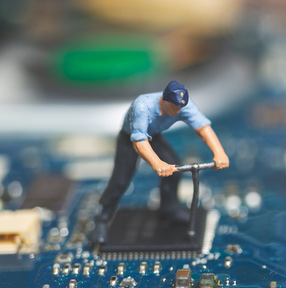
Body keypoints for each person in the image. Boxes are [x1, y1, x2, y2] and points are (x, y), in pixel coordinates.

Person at [93, 81, 229, 243]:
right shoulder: (143, 106)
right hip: (130, 141)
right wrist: (157, 163)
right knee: (120, 181)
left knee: (174, 167)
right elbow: (140, 143)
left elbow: (203, 128)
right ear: (163, 101)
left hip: (154, 136)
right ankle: (101, 219)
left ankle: (169, 210)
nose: (178, 111)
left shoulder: (183, 105)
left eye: (180, 107)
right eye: (174, 107)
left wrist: (219, 152)